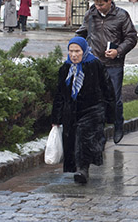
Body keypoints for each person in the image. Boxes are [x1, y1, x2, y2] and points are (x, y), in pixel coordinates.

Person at [76, 0, 137, 144]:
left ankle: (118, 124)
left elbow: (131, 37)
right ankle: (99, 132)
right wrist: (76, 46)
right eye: (96, 5)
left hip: (114, 64)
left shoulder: (121, 15)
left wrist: (118, 51)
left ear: (110, 1)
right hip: (94, 63)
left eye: (101, 5)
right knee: (97, 99)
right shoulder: (91, 15)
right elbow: (82, 32)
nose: (98, 8)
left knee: (114, 97)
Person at [51, 37, 116, 184]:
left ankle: (83, 170)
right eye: (71, 51)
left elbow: (108, 88)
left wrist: (111, 113)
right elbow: (60, 94)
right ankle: (79, 168)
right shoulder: (65, 68)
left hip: (93, 109)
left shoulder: (95, 65)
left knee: (84, 137)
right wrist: (56, 118)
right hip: (71, 111)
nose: (74, 55)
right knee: (73, 140)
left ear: (84, 51)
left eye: (77, 51)